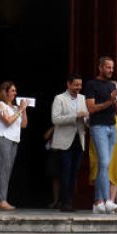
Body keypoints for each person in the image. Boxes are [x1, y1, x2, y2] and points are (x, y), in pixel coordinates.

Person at [82, 56, 117, 214]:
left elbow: (116, 109)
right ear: (100, 68)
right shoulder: (92, 84)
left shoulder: (112, 85)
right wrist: (110, 102)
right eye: (108, 67)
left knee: (105, 165)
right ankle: (106, 199)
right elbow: (91, 108)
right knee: (104, 162)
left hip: (112, 127)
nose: (111, 70)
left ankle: (98, 202)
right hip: (98, 127)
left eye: (112, 68)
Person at [88, 91, 117, 210]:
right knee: (102, 167)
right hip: (102, 141)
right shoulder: (101, 106)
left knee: (114, 171)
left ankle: (111, 202)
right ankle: (100, 201)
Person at [50, 74, 87, 212]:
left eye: (80, 85)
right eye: (76, 84)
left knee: (74, 172)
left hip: (79, 139)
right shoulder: (59, 98)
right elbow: (55, 119)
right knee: (65, 171)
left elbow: (86, 118)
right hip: (65, 141)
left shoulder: (83, 98)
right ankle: (63, 202)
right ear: (69, 84)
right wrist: (75, 116)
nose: (78, 88)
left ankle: (70, 201)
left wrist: (86, 119)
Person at [0, 81, 28, 211]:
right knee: (3, 169)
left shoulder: (15, 108)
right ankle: (1, 200)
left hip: (13, 140)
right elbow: (7, 121)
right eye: (12, 90)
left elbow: (24, 125)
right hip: (2, 137)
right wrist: (21, 109)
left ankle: (3, 199)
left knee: (8, 170)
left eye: (15, 91)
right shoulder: (0, 105)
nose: (15, 93)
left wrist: (23, 110)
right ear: (5, 92)